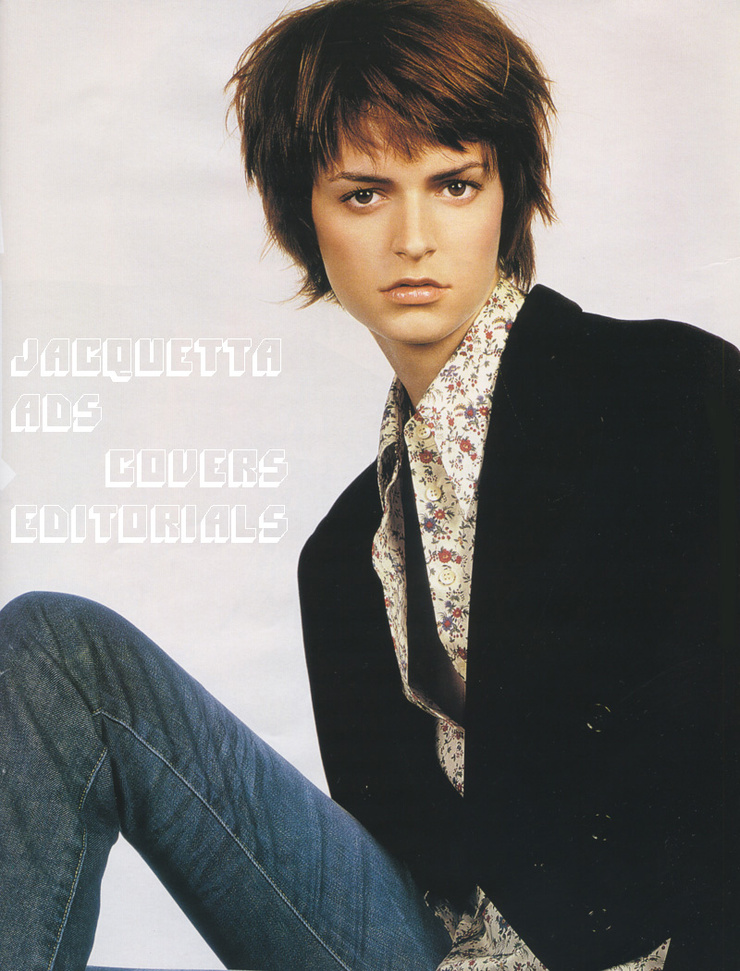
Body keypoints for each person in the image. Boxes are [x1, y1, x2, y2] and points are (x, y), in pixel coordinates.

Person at [0, 1, 736, 969]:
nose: (413, 237)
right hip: (437, 952)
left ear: (507, 194)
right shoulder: (346, 557)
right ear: (301, 218)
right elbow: (410, 873)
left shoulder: (666, 391)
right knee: (59, 652)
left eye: (454, 183)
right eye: (363, 194)